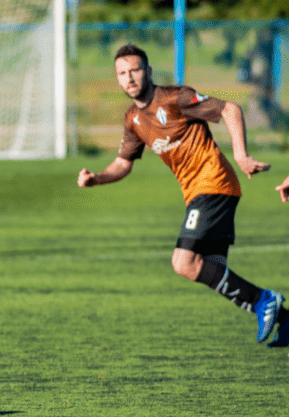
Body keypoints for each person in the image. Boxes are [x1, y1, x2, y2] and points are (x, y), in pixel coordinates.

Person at [77, 43, 285, 347]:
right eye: (122, 73)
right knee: (211, 269)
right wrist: (98, 179)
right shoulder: (133, 119)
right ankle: (287, 320)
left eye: (135, 70)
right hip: (198, 193)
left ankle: (265, 300)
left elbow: (229, 109)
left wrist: (241, 155)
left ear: (147, 71)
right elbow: (123, 163)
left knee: (183, 262)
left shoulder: (176, 98)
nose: (129, 78)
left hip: (213, 182)